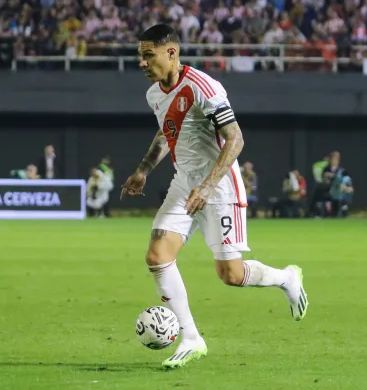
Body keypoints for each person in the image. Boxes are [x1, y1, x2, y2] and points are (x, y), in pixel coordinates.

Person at [120, 24, 309, 369]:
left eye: (149, 55)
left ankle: (286, 278)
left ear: (171, 53)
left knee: (231, 275)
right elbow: (167, 133)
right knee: (157, 255)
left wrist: (207, 186)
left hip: (219, 187)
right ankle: (191, 337)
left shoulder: (203, 86)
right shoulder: (154, 95)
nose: (142, 63)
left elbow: (235, 138)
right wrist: (144, 168)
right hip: (184, 184)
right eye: (140, 56)